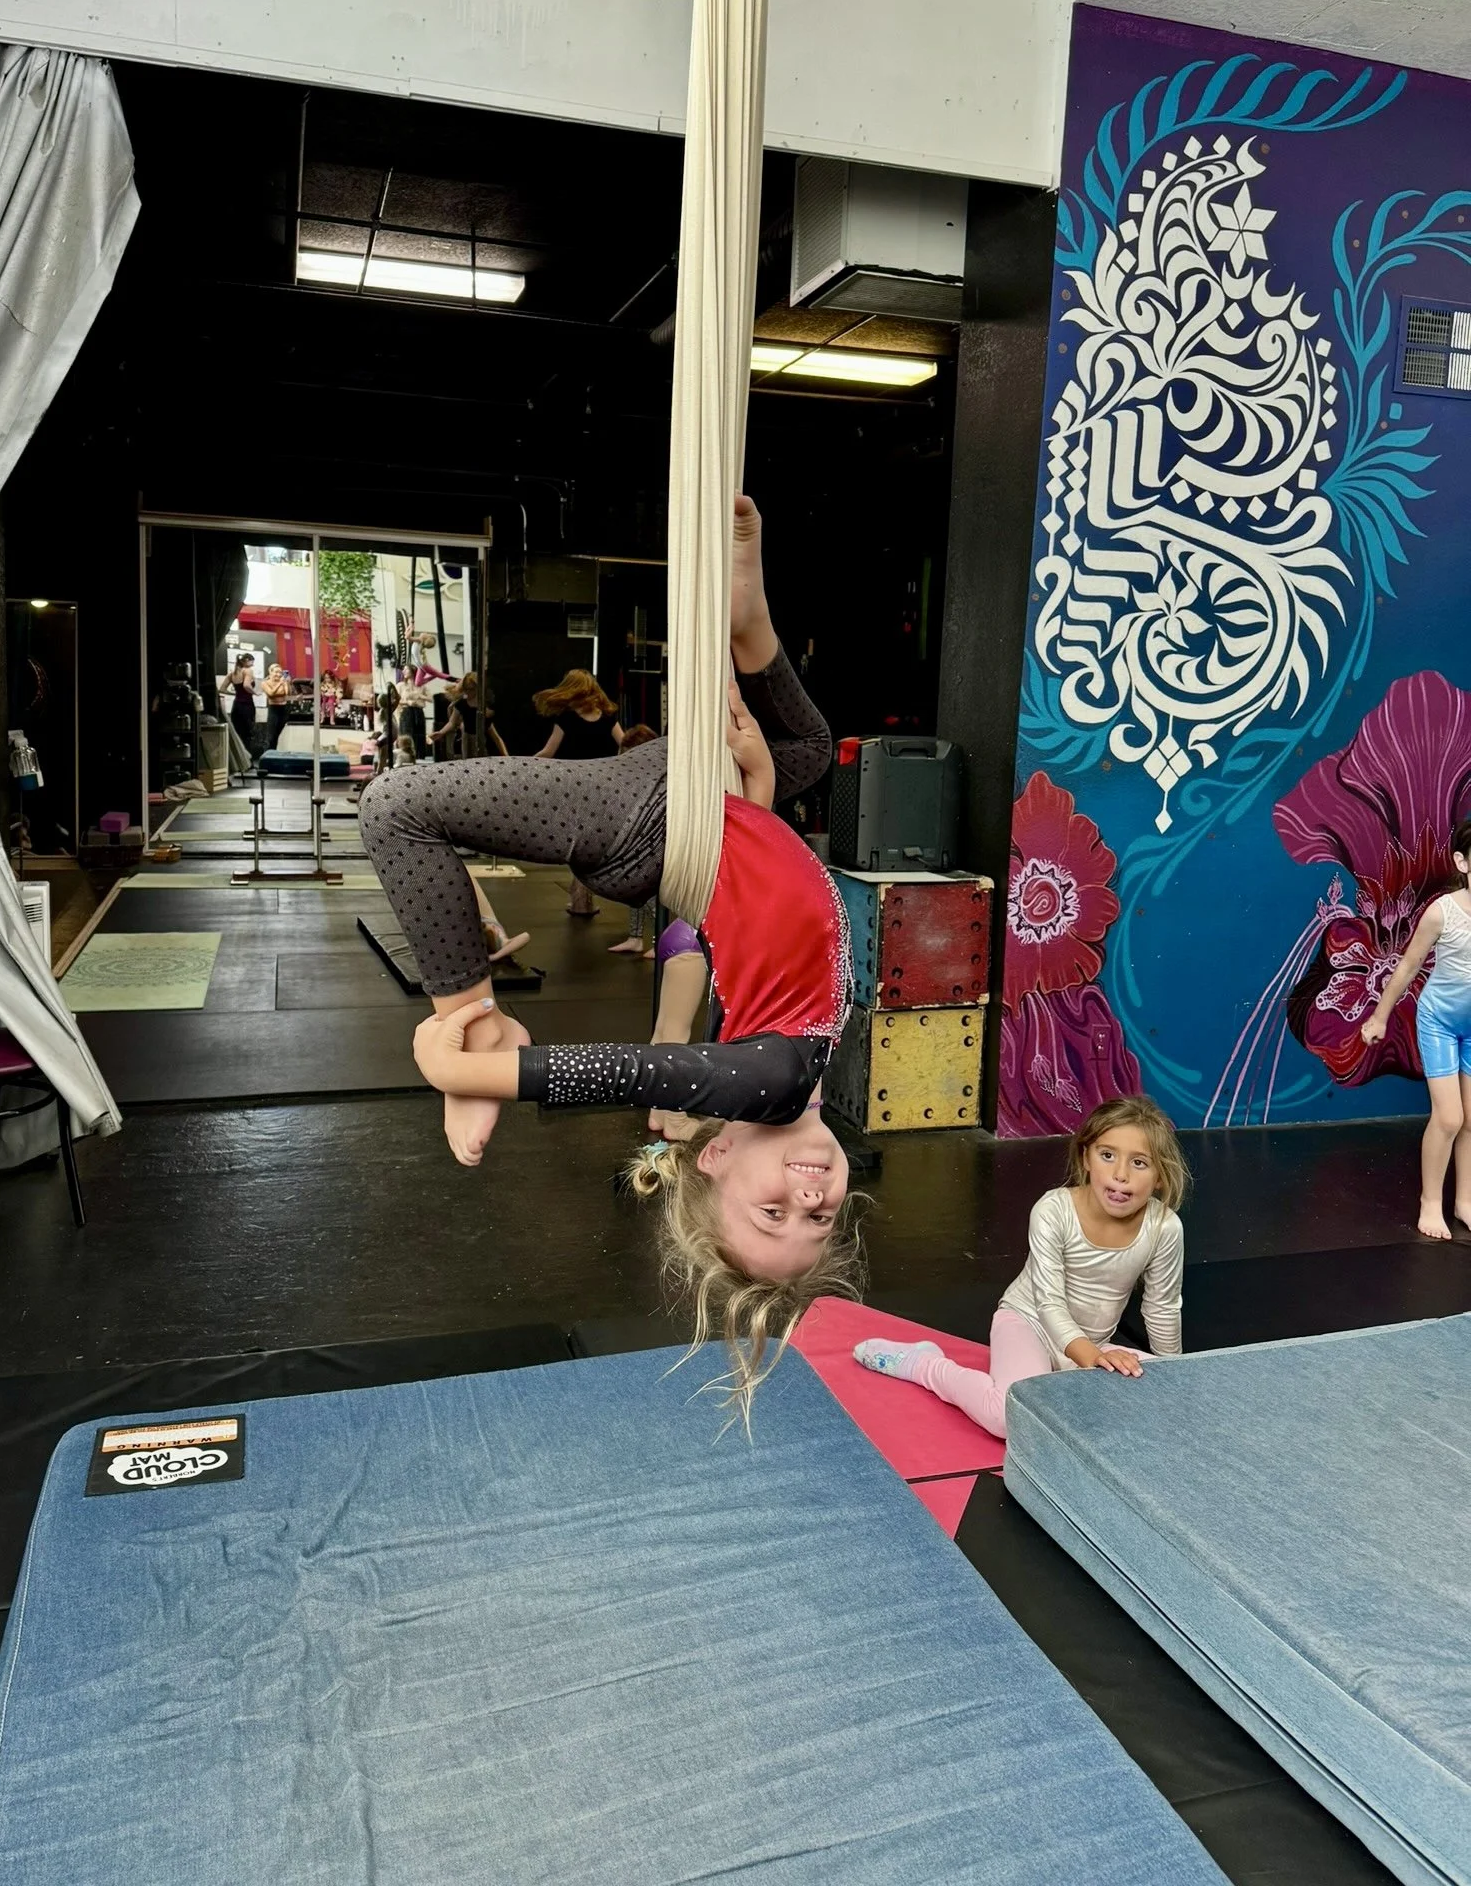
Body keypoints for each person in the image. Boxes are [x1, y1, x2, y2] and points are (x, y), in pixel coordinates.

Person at [358, 496, 859, 1417]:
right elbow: (760, 918)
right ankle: (748, 616)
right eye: (819, 1218)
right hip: (707, 815)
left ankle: (467, 1018)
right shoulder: (810, 1077)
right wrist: (755, 792)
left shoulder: (773, 1081)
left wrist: (487, 1072)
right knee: (809, 747)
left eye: (773, 1212)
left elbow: (624, 1069)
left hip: (654, 818)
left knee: (397, 805)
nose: (808, 1194)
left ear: (714, 1164)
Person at [853, 1096, 1187, 1441]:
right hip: (1029, 1323)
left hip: (1091, 1343)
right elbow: (1049, 1304)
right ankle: (925, 1365)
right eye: (1107, 1156)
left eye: (1139, 1163)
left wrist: (1177, 1377)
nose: (1120, 1175)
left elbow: (1162, 1308)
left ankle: (1066, 1383)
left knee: (1158, 1402)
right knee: (1005, 1418)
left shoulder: (1164, 1227)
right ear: (1086, 1156)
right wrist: (1094, 1357)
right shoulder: (1054, 1211)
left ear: (1160, 1177)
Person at [1362, 817, 1471, 1240]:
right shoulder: (1442, 912)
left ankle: (1464, 1200)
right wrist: (1380, 1016)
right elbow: (1407, 966)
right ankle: (1431, 1202)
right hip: (1441, 1023)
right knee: (1449, 1117)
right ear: (1462, 862)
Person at [533, 669, 625, 917]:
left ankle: (581, 901)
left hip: (573, 789)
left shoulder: (567, 719)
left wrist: (523, 766)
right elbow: (625, 744)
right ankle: (582, 900)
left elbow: (548, 752)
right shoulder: (608, 717)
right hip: (602, 787)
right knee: (593, 846)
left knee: (578, 846)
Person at [610, 723, 659, 953]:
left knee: (648, 893)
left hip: (654, 842)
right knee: (634, 889)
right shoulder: (635, 774)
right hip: (638, 839)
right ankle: (635, 937)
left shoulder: (655, 773)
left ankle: (660, 941)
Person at [431, 672, 508, 759]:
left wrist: (506, 756)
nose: (467, 692)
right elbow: (452, 722)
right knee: (468, 753)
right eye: (465, 689)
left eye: (471, 689)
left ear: (478, 689)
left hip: (483, 734)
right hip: (467, 735)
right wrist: (441, 732)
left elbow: (495, 736)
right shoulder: (461, 704)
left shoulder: (486, 706)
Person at [220, 654, 257, 752]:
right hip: (247, 705)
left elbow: (222, 689)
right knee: (247, 734)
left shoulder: (232, 674)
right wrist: (255, 693)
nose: (253, 664)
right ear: (247, 660)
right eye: (252, 661)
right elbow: (246, 686)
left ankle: (239, 761)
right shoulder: (247, 671)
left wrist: (235, 693)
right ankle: (248, 760)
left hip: (236, 706)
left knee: (237, 733)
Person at [262, 663, 291, 750]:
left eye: (280, 672)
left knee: (277, 734)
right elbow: (271, 694)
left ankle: (274, 753)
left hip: (283, 708)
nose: (278, 674)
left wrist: (287, 683)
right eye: (276, 672)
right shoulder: (265, 683)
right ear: (270, 672)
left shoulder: (283, 681)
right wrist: (280, 684)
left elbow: (287, 693)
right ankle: (267, 754)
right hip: (273, 708)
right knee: (271, 736)